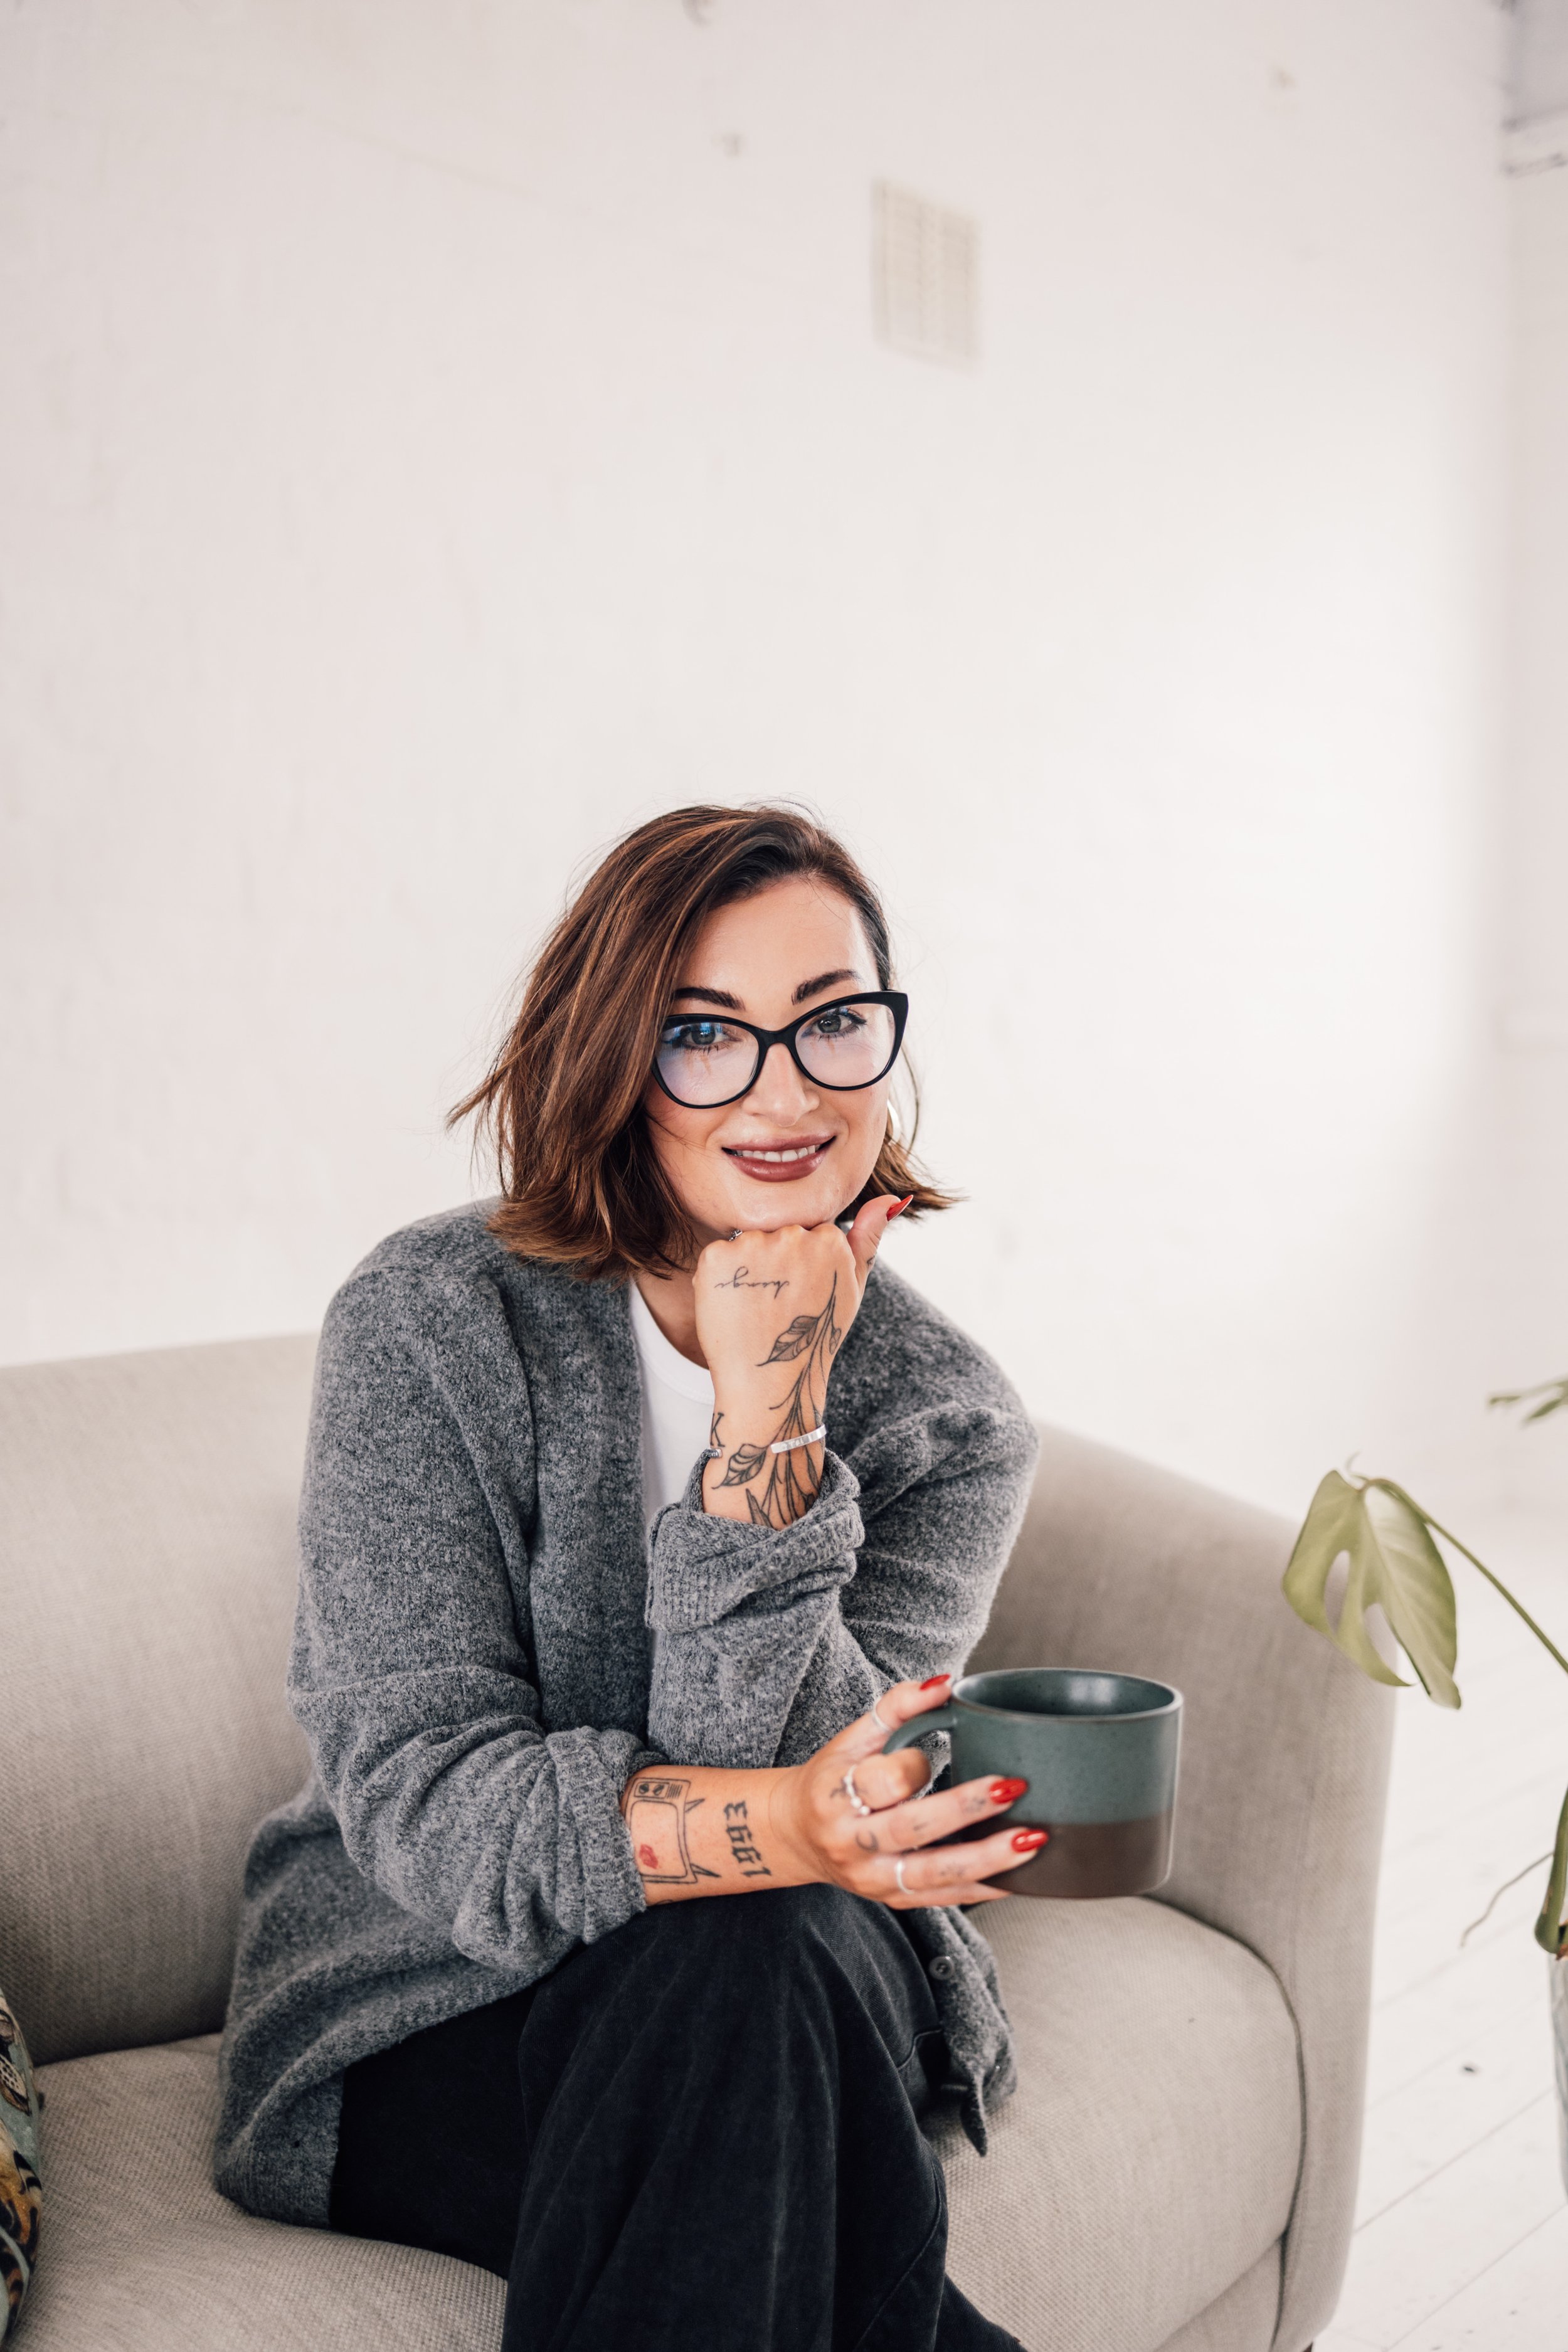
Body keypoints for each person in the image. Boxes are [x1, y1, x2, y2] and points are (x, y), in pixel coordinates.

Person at [216, 804, 1041, 2351]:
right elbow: (432, 1800)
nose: (786, 1089)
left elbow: (835, 1790)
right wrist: (779, 1828)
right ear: (615, 1061)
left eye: (831, 1023)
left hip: (789, 1983)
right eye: (704, 1036)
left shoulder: (949, 1418)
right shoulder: (431, 1322)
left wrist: (769, 1427)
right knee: (753, 1961)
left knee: (747, 1947)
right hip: (437, 1996)